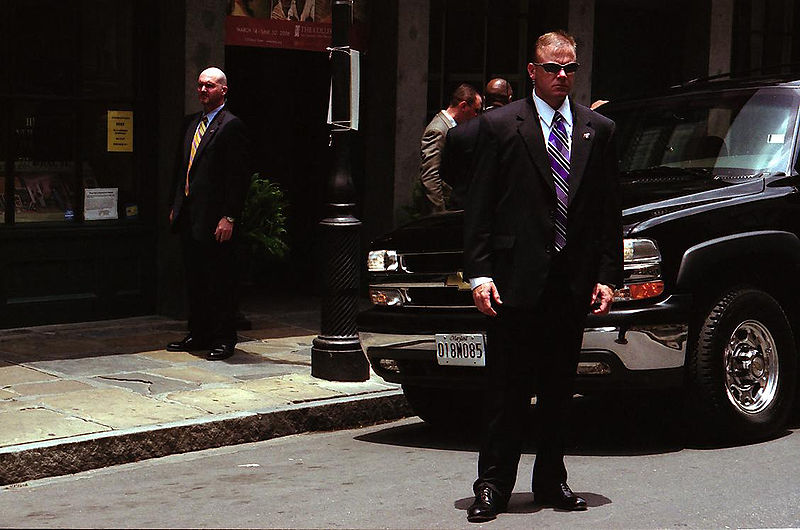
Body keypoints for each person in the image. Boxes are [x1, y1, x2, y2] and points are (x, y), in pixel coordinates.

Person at [463, 31, 622, 522]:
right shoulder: (499, 125)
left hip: (569, 282)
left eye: (570, 68)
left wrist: (608, 276)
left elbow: (606, 212)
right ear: (532, 71)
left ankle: (551, 480)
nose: (562, 77)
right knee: (506, 390)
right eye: (553, 68)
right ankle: (492, 485)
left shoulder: (599, 129)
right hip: (514, 281)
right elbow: (480, 208)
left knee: (558, 390)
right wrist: (479, 274)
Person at [167, 67, 251, 361]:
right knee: (196, 279)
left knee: (220, 280)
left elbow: (237, 177)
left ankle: (224, 338)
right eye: (200, 86)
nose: (203, 91)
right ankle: (199, 332)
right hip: (191, 216)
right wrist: (177, 205)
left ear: (223, 90)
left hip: (216, 219)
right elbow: (183, 169)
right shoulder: (191, 124)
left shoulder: (231, 126)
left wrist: (229, 216)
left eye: (210, 86)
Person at [442, 78, 513, 209]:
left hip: (464, 208)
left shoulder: (457, 133)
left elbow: (447, 174)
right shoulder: (517, 131)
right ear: (510, 99)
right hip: (502, 209)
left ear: (485, 99)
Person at [418, 83, 482, 214]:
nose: (477, 116)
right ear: (463, 106)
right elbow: (430, 175)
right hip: (445, 209)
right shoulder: (438, 130)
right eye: (476, 110)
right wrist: (439, 213)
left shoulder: (450, 127)